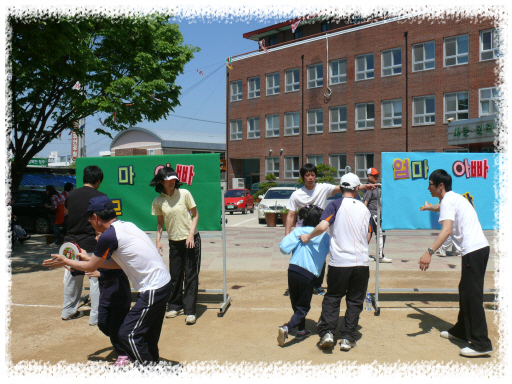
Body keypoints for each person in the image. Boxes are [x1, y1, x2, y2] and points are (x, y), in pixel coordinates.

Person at [44, 196, 172, 366]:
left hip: (153, 288)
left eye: (89, 218)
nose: (90, 222)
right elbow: (116, 264)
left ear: (96, 218)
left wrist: (66, 261)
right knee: (147, 334)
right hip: (163, 283)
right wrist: (87, 258)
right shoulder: (126, 226)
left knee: (128, 334)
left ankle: (150, 372)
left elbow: (91, 267)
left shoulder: (108, 236)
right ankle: (152, 365)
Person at [418, 169, 492, 357]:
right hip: (477, 250)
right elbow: (440, 207)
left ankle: (481, 343)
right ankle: (461, 331)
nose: (428, 188)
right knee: (465, 290)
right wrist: (429, 207)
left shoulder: (449, 201)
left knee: (473, 296)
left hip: (474, 251)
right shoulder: (451, 199)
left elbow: (446, 231)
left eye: (430, 185)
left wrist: (429, 252)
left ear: (440, 185)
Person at [299, 173, 373, 351]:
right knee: (355, 301)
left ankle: (328, 333)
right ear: (356, 189)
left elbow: (323, 226)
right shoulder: (365, 209)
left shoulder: (335, 204)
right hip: (362, 263)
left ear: (342, 188)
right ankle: (348, 337)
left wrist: (308, 236)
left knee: (333, 297)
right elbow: (369, 234)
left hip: (340, 262)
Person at [285, 163, 377, 295]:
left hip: (319, 228)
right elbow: (291, 215)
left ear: (316, 176)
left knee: (320, 257)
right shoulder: (296, 194)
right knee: (300, 257)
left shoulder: (323, 188)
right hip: (302, 230)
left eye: (313, 175)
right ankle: (302, 284)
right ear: (303, 177)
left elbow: (344, 187)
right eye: (307, 175)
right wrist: (288, 234)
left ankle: (317, 285)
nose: (310, 177)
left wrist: (364, 186)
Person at [151, 167, 201, 325]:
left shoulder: (185, 193)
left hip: (190, 240)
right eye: (168, 180)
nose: (171, 182)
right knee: (175, 274)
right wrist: (158, 240)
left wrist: (191, 233)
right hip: (174, 241)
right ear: (162, 182)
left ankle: (190, 311)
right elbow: (160, 223)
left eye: (173, 179)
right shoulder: (158, 201)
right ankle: (175, 305)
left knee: (191, 275)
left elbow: (195, 214)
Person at [277, 205, 330, 347]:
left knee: (296, 302)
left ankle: (301, 330)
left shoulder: (299, 231)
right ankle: (287, 328)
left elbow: (283, 248)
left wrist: (294, 239)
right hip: (308, 274)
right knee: (303, 307)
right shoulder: (325, 236)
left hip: (293, 269)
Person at [61, 166, 104, 325]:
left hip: (71, 243)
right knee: (95, 279)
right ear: (98, 180)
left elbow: (66, 212)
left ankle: (68, 311)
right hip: (91, 243)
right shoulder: (101, 196)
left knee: (72, 277)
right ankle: (96, 317)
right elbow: (102, 222)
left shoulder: (70, 195)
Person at [85, 265, 132, 366]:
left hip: (120, 299)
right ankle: (120, 341)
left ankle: (123, 353)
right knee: (102, 324)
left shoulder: (117, 257)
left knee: (115, 328)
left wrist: (101, 274)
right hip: (105, 298)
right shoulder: (100, 257)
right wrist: (74, 269)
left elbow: (119, 271)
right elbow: (89, 266)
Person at [363, 168, 392, 263]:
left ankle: (363, 254)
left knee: (370, 234)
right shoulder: (370, 187)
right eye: (374, 175)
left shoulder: (375, 186)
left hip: (377, 214)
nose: (376, 177)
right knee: (380, 234)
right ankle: (380, 256)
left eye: (377, 175)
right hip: (374, 214)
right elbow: (365, 202)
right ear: (369, 176)